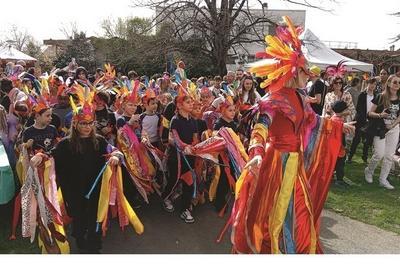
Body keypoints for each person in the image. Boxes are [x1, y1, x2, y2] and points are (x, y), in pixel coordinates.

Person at [229, 16, 355, 254]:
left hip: (295, 164)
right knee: (275, 212)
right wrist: (256, 153)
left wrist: (337, 126)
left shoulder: (299, 97)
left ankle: (295, 247)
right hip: (276, 163)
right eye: (305, 71)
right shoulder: (273, 100)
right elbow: (260, 128)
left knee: (299, 209)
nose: (309, 75)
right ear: (294, 71)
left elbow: (311, 120)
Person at [30, 93, 124, 253]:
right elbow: (51, 154)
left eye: (90, 123)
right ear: (75, 124)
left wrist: (116, 155)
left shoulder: (99, 140)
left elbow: (114, 150)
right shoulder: (66, 144)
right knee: (79, 215)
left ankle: (94, 242)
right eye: (83, 124)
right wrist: (40, 156)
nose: (87, 127)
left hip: (95, 188)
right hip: (74, 189)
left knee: (95, 214)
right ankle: (80, 239)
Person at [162, 87, 198, 223]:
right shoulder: (175, 120)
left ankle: (185, 209)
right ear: (179, 105)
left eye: (191, 102)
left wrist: (194, 147)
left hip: (190, 156)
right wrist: (183, 147)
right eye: (188, 102)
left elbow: (195, 137)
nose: (191, 104)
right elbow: (173, 138)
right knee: (173, 181)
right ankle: (165, 198)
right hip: (176, 158)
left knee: (189, 183)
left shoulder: (193, 121)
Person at [364, 74, 400, 190]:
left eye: (399, 83)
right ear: (389, 84)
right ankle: (369, 171)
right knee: (379, 154)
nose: (397, 85)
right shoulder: (380, 96)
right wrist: (380, 115)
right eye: (395, 82)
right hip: (380, 129)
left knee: (389, 156)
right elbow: (369, 113)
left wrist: (393, 125)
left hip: (394, 129)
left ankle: (383, 179)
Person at [347, 78, 377, 163]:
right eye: (371, 83)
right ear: (368, 83)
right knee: (356, 140)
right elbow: (358, 108)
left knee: (367, 142)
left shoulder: (376, 95)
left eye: (374, 84)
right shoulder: (362, 95)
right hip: (361, 121)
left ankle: (364, 157)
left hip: (371, 121)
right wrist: (364, 118)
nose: (373, 86)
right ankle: (350, 156)